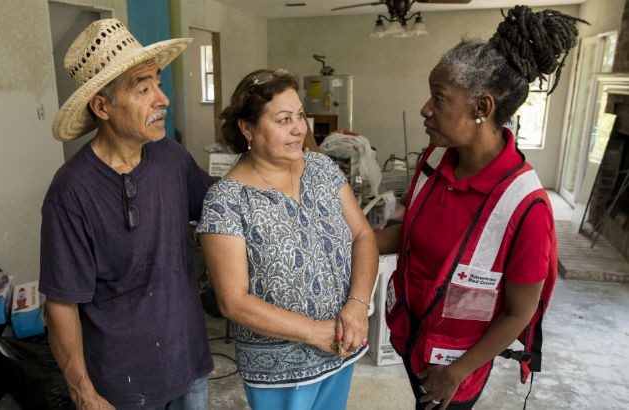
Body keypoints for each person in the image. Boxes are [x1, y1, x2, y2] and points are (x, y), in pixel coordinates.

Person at [376, 6, 587, 410]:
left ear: (482, 108)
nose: (425, 109)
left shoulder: (525, 207)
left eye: (438, 98)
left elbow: (518, 312)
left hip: (453, 365)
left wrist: (456, 372)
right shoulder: (435, 161)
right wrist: (355, 244)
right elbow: (412, 234)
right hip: (411, 333)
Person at [39, 19, 214, 410]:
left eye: (158, 83)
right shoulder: (72, 191)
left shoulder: (171, 158)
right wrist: (84, 392)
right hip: (120, 386)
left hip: (188, 363)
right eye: (142, 88)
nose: (162, 99)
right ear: (102, 106)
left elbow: (222, 209)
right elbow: (61, 304)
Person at [196, 68, 378, 410]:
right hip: (281, 369)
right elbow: (232, 301)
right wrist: (313, 332)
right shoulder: (226, 200)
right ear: (247, 128)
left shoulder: (321, 168)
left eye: (299, 116)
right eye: (283, 120)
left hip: (343, 344)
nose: (298, 129)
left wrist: (357, 304)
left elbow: (363, 235)